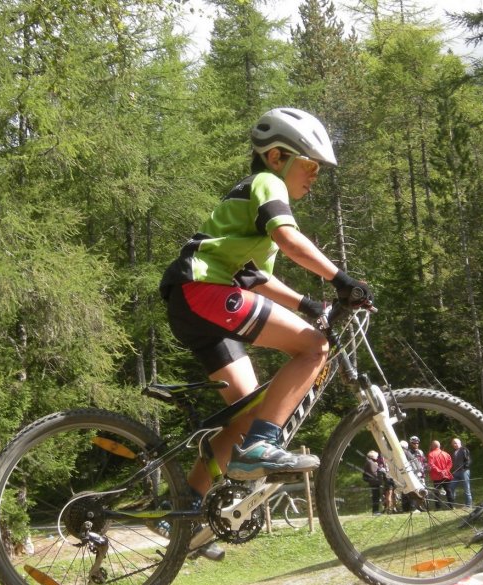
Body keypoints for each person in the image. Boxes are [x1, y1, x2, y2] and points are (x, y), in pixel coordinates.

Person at [158, 107, 374, 557]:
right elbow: (291, 242)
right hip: (204, 288)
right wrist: (342, 280)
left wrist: (309, 304)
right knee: (314, 348)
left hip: (196, 299)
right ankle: (261, 446)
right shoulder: (267, 185)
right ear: (277, 156)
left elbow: (258, 278)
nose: (315, 177)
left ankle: (180, 508)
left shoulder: (258, 206)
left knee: (247, 412)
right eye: (310, 165)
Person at [402, 435, 426, 512]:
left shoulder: (420, 452)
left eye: (417, 443)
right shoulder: (408, 452)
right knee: (413, 490)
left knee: (422, 490)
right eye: (414, 443)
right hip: (412, 473)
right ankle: (413, 507)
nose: (416, 444)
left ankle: (421, 506)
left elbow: (424, 461)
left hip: (420, 473)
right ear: (410, 443)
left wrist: (426, 466)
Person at [427, 440, 454, 509]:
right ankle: (451, 506)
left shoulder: (431, 454)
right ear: (439, 446)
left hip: (437, 476)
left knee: (437, 492)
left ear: (433, 446)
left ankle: (438, 507)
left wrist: (439, 471)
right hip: (446, 475)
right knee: (448, 490)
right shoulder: (446, 454)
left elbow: (431, 464)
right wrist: (445, 470)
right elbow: (450, 463)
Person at [450, 437, 472, 507]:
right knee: (451, 487)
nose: (455, 444)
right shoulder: (454, 452)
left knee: (466, 488)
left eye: (456, 443)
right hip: (456, 472)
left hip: (464, 471)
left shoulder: (464, 449)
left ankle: (468, 505)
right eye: (453, 443)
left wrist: (465, 465)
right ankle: (452, 504)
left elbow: (469, 460)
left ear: (460, 443)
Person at [363, 450, 382, 515]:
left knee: (376, 496)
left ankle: (376, 510)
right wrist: (380, 469)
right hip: (374, 482)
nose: (377, 457)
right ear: (372, 456)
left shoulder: (370, 462)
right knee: (376, 497)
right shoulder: (371, 463)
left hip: (374, 482)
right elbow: (374, 472)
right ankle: (375, 511)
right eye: (376, 456)